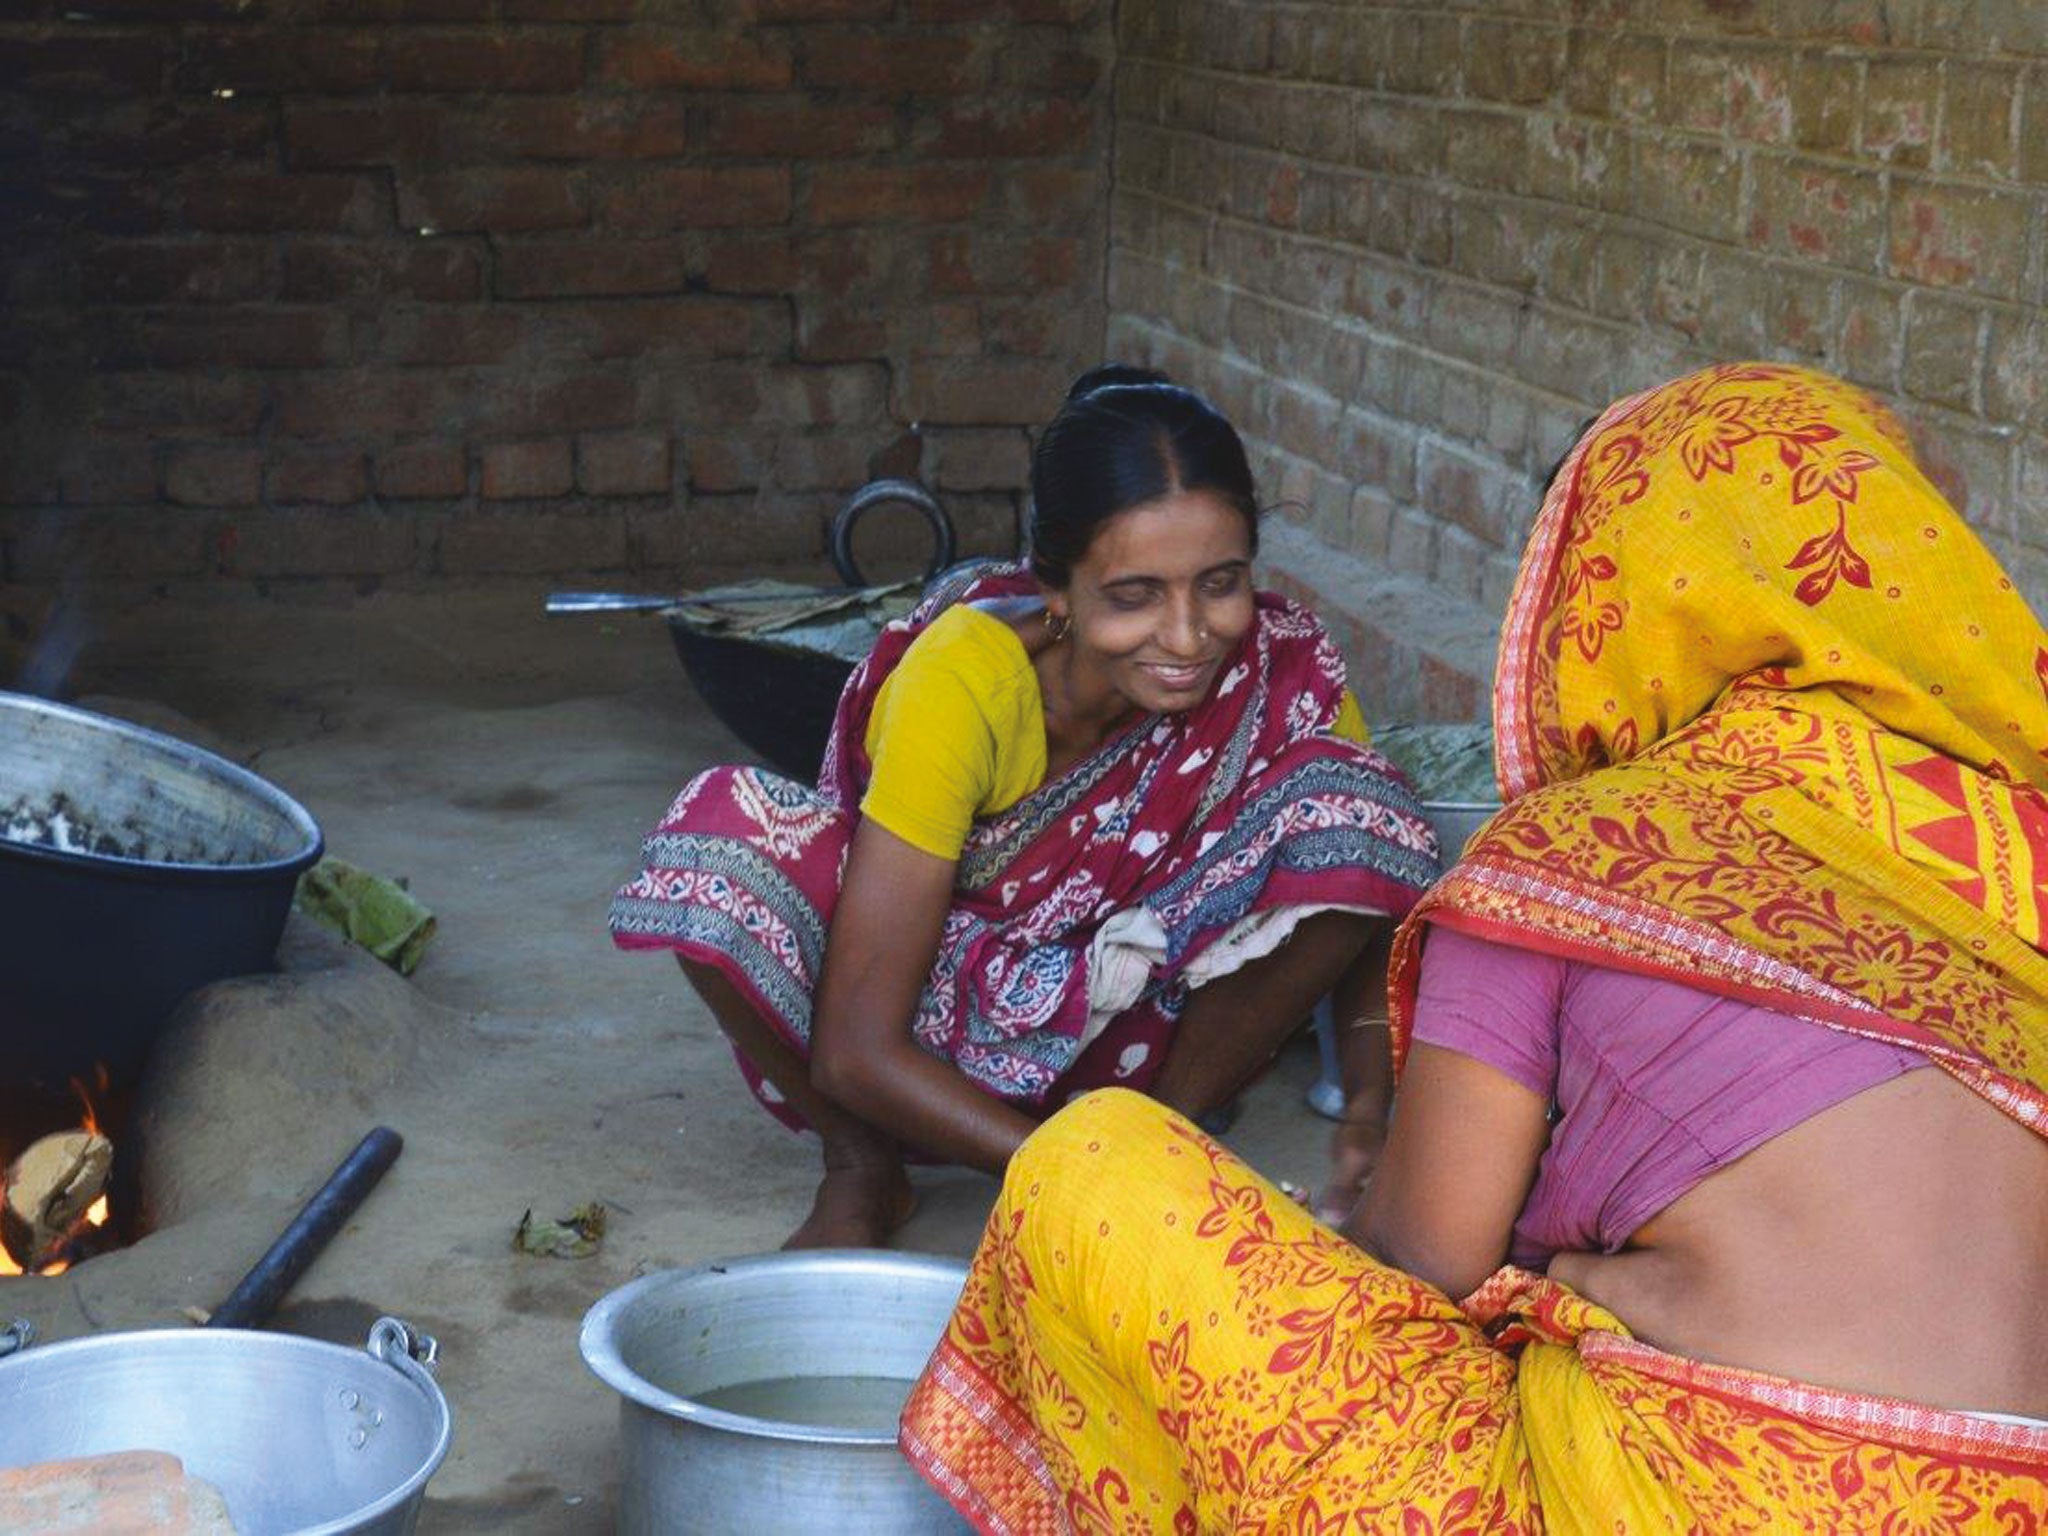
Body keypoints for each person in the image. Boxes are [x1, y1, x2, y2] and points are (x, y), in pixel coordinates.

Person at [899, 361, 2048, 1528]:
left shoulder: (1574, 857)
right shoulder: (2011, 848)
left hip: (1714, 1491)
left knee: (1090, 1169)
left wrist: (1399, 1214)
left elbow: (1427, 1266)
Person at [610, 366, 1439, 1248]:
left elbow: (1366, 878)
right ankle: (863, 1166)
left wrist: (1369, 1113)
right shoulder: (966, 679)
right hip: (920, 1026)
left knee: (1360, 802)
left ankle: (1158, 1138)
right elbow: (858, 1046)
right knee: (715, 846)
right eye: (1134, 597)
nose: (1190, 635)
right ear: (1056, 589)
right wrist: (1079, 1181)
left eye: (1220, 583)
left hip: (1130, 1035)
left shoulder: (1281, 665)